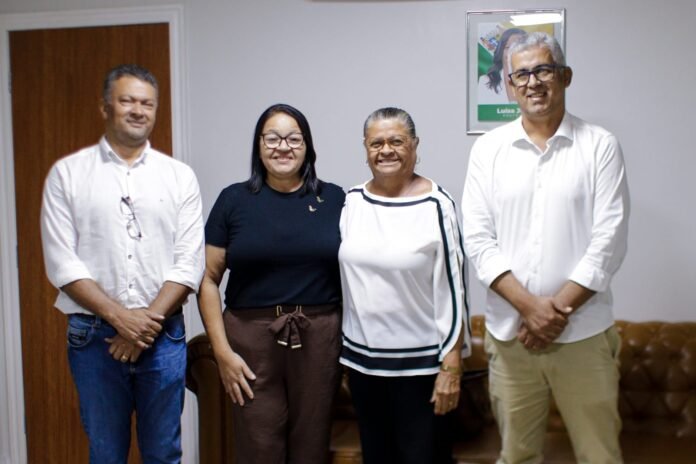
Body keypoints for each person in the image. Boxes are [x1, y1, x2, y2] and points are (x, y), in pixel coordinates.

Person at [461, 32, 630, 464]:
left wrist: (552, 313)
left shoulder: (600, 145)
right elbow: (478, 239)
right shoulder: (488, 150)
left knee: (600, 457)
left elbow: (609, 240)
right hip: (511, 336)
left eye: (543, 70)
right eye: (521, 74)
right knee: (516, 457)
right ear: (510, 86)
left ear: (565, 77)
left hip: (583, 334)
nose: (533, 82)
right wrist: (529, 308)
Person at [40, 64, 205, 463]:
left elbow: (188, 262)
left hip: (162, 337)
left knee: (164, 453)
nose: (138, 110)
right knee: (106, 453)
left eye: (147, 103)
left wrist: (141, 327)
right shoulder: (68, 174)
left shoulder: (179, 177)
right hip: (94, 338)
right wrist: (121, 319)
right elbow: (62, 263)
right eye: (127, 100)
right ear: (105, 107)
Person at [198, 103, 345, 464]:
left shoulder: (335, 199)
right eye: (273, 138)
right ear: (259, 145)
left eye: (293, 139)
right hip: (250, 338)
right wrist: (222, 352)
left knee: (312, 445)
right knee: (258, 445)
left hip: (319, 335)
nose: (283, 147)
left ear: (307, 146)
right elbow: (208, 279)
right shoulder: (233, 200)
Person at [339, 107, 471, 464]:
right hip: (364, 366)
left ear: (414, 145)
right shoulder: (352, 201)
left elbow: (455, 289)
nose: (386, 150)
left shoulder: (436, 204)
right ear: (365, 149)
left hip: (421, 368)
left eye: (396, 141)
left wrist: (452, 365)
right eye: (376, 143)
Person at [478, 28, 526, 104]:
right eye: (508, 47)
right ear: (501, 51)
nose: (513, 52)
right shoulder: (485, 82)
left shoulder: (535, 80)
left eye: (519, 47)